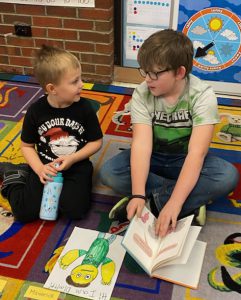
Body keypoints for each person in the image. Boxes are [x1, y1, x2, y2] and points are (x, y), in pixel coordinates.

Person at [99, 29, 239, 237]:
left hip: (185, 160)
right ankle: (188, 202)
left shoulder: (202, 96)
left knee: (227, 176)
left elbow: (196, 154)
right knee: (109, 171)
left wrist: (173, 203)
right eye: (144, 72)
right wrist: (137, 193)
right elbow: (141, 146)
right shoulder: (142, 94)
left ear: (179, 73)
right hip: (152, 157)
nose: (147, 79)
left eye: (154, 73)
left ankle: (157, 201)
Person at [0, 45, 103, 223]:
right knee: (25, 213)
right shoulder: (35, 111)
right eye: (74, 81)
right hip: (44, 167)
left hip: (76, 165)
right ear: (52, 88)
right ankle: (14, 174)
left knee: (74, 211)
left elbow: (96, 142)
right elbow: (27, 146)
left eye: (80, 79)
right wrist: (39, 168)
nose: (82, 84)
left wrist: (73, 158)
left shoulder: (85, 108)